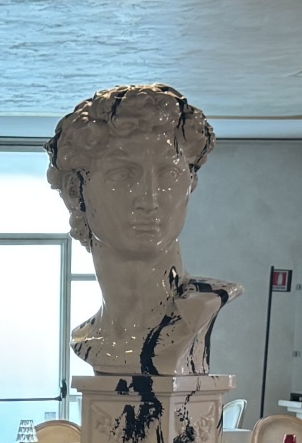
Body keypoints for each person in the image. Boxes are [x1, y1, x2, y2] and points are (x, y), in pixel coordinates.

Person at [46, 83, 237, 378]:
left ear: (191, 184)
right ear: (76, 192)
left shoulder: (203, 305)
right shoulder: (87, 337)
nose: (149, 199)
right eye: (123, 174)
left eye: (169, 174)